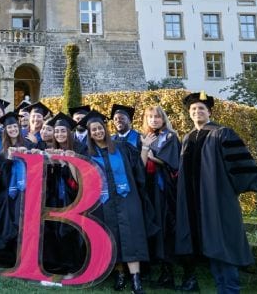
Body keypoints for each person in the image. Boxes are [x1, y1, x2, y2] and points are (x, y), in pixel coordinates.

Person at [175, 92, 257, 294]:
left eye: (201, 108)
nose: (197, 111)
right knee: (210, 245)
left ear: (209, 112)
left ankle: (230, 289)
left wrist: (233, 189)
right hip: (193, 204)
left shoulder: (223, 133)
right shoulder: (188, 138)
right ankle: (221, 288)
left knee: (223, 243)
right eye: (193, 109)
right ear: (189, 113)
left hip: (217, 200)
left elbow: (239, 165)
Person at [85, 110, 152, 294]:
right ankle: (120, 275)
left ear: (105, 129)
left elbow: (139, 168)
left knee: (131, 236)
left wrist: (145, 148)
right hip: (104, 201)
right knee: (112, 237)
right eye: (93, 130)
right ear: (90, 134)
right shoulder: (89, 154)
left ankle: (136, 280)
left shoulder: (122, 147)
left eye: (100, 128)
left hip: (126, 198)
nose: (97, 131)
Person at [139, 105, 181, 288]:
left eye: (157, 117)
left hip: (164, 189)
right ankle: (153, 268)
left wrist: (151, 155)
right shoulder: (146, 137)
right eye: (150, 117)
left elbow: (171, 162)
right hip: (149, 187)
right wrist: (145, 150)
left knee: (165, 226)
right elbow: (140, 163)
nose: (154, 120)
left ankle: (167, 272)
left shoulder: (170, 136)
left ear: (163, 119)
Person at [43, 112, 85, 273]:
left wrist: (68, 162)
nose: (59, 134)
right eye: (57, 131)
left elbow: (81, 178)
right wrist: (51, 162)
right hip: (57, 195)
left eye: (63, 131)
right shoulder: (53, 150)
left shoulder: (80, 148)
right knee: (56, 228)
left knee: (71, 229)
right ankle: (61, 263)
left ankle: (75, 265)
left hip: (74, 196)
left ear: (69, 131)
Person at [0, 111, 34, 260]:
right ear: (5, 130)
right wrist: (9, 159)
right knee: (9, 222)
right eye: (9, 127)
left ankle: (25, 254)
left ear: (19, 127)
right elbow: (1, 178)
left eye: (15, 126)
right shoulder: (2, 151)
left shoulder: (29, 145)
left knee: (24, 222)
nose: (12, 129)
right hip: (9, 194)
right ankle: (10, 255)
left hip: (26, 192)